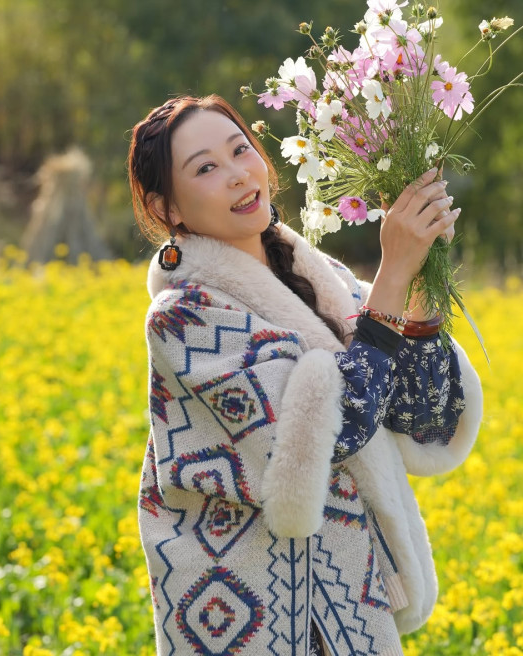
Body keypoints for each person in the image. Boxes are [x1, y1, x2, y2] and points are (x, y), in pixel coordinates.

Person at [128, 94, 482, 656]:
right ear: (165, 207)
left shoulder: (326, 279)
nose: (238, 174)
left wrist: (419, 280)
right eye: (206, 168)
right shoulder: (182, 316)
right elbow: (331, 439)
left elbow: (422, 418)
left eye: (240, 150)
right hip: (253, 622)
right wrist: (392, 276)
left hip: (351, 603)